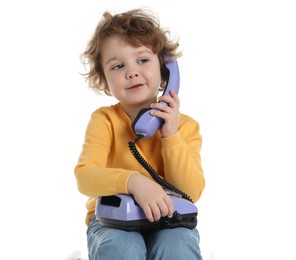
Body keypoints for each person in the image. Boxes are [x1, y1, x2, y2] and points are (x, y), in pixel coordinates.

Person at [74, 8, 205, 260]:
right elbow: (85, 178)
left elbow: (191, 191)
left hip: (168, 218)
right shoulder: (105, 121)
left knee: (177, 246)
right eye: (118, 65)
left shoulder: (186, 127)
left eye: (143, 60)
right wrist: (133, 182)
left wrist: (170, 136)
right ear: (104, 81)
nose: (132, 72)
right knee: (124, 248)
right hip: (113, 221)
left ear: (166, 70)